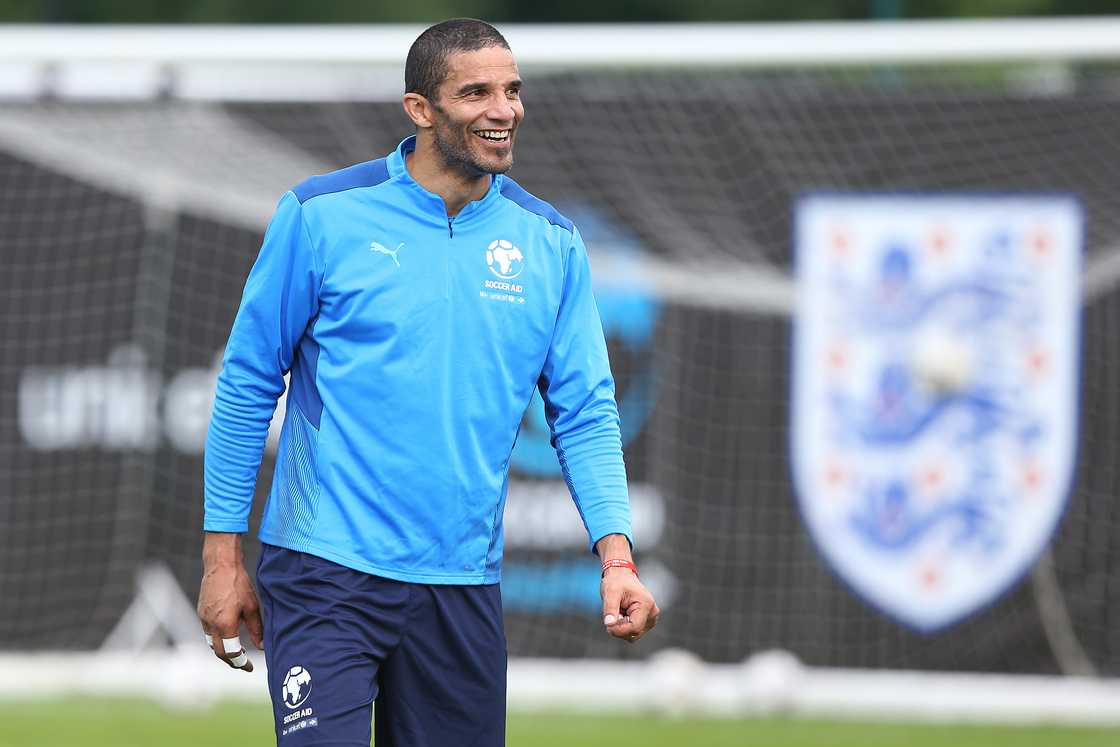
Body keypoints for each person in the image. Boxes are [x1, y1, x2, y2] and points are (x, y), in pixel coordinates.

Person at [198, 17, 659, 746]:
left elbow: (586, 413)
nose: (503, 110)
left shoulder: (552, 245)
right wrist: (221, 558)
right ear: (420, 109)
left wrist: (617, 556)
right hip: (326, 572)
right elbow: (248, 382)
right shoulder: (321, 216)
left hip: (461, 584)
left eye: (512, 90)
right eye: (476, 92)